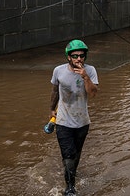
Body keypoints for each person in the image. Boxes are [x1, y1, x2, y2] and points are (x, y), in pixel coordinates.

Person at [50, 39, 98, 196]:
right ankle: (70, 187)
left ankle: (71, 173)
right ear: (68, 57)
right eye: (75, 56)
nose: (79, 59)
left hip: (82, 122)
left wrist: (85, 77)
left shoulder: (90, 71)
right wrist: (51, 109)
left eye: (81, 56)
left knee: (76, 154)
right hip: (63, 121)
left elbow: (93, 93)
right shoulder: (58, 71)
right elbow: (55, 91)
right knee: (69, 154)